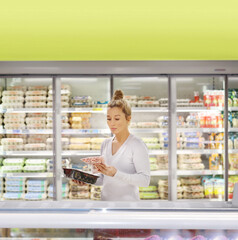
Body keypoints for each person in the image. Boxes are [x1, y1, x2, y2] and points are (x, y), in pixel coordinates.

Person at [74, 89, 150, 201]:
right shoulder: (105, 144)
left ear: (128, 119)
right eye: (109, 119)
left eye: (117, 118)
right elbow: (103, 179)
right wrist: (86, 180)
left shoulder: (137, 144)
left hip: (129, 206)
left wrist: (116, 173)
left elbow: (144, 181)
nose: (112, 123)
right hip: (105, 205)